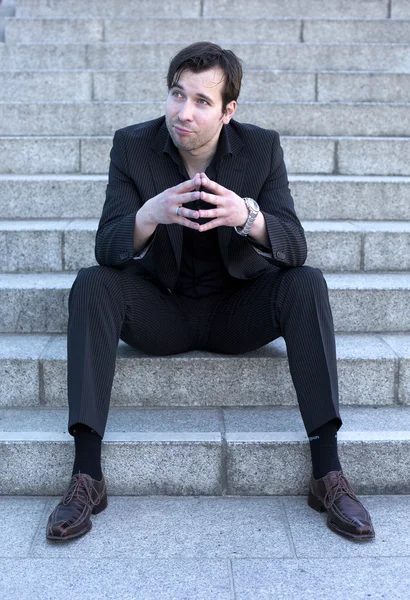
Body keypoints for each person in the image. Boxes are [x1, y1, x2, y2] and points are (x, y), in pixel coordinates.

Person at [46, 42, 374, 543]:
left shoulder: (261, 148)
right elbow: (107, 247)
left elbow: (295, 246)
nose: (184, 112)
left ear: (228, 111)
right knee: (92, 283)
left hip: (234, 312)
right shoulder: (132, 145)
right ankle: (86, 477)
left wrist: (249, 217)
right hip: (163, 311)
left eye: (202, 101)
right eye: (177, 94)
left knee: (306, 284)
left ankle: (327, 474)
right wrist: (147, 216)